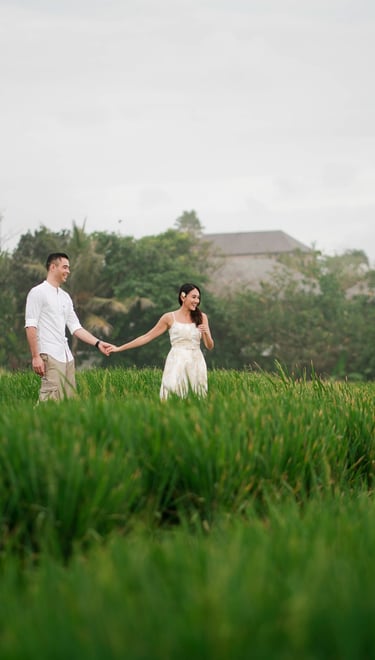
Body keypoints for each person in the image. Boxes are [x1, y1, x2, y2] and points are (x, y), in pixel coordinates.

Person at [25, 252, 114, 402]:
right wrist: (36, 357)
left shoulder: (65, 297)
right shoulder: (38, 292)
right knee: (49, 402)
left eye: (69, 268)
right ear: (53, 267)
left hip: (67, 357)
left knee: (68, 404)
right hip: (50, 355)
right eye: (65, 267)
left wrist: (98, 343)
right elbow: (30, 326)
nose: (68, 271)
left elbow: (76, 327)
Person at [109, 283, 214, 399]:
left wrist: (206, 333)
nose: (197, 301)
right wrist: (119, 348)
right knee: (172, 395)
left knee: (196, 397)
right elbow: (147, 337)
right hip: (176, 361)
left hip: (196, 362)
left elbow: (209, 346)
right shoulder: (169, 317)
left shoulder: (202, 317)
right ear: (183, 296)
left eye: (198, 298)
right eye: (193, 297)